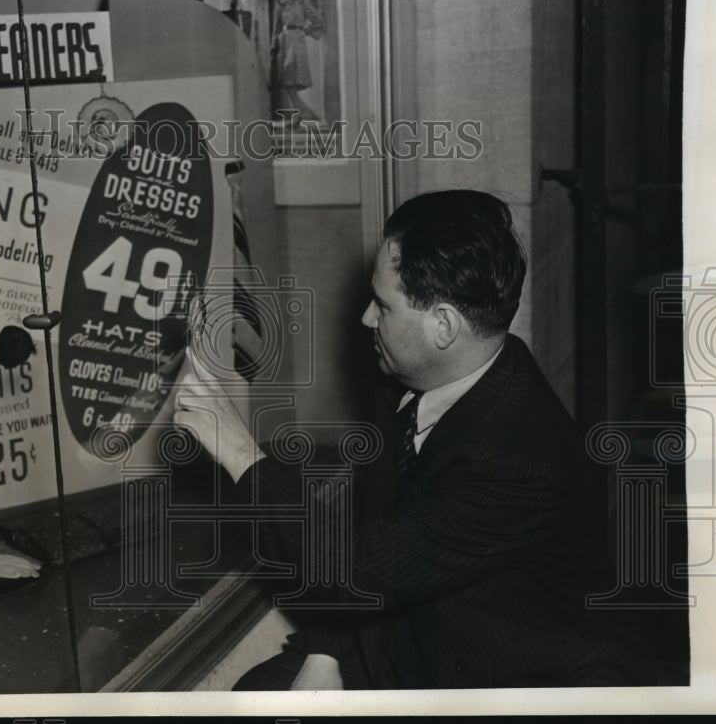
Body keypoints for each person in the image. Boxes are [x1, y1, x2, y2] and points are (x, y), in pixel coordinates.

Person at [174, 189, 641, 689]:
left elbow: (354, 571)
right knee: (257, 696)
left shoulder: (516, 459)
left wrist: (238, 450)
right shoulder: (409, 376)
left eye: (382, 305)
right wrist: (325, 654)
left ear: (443, 325)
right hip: (409, 630)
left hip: (508, 686)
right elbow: (369, 524)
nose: (365, 319)